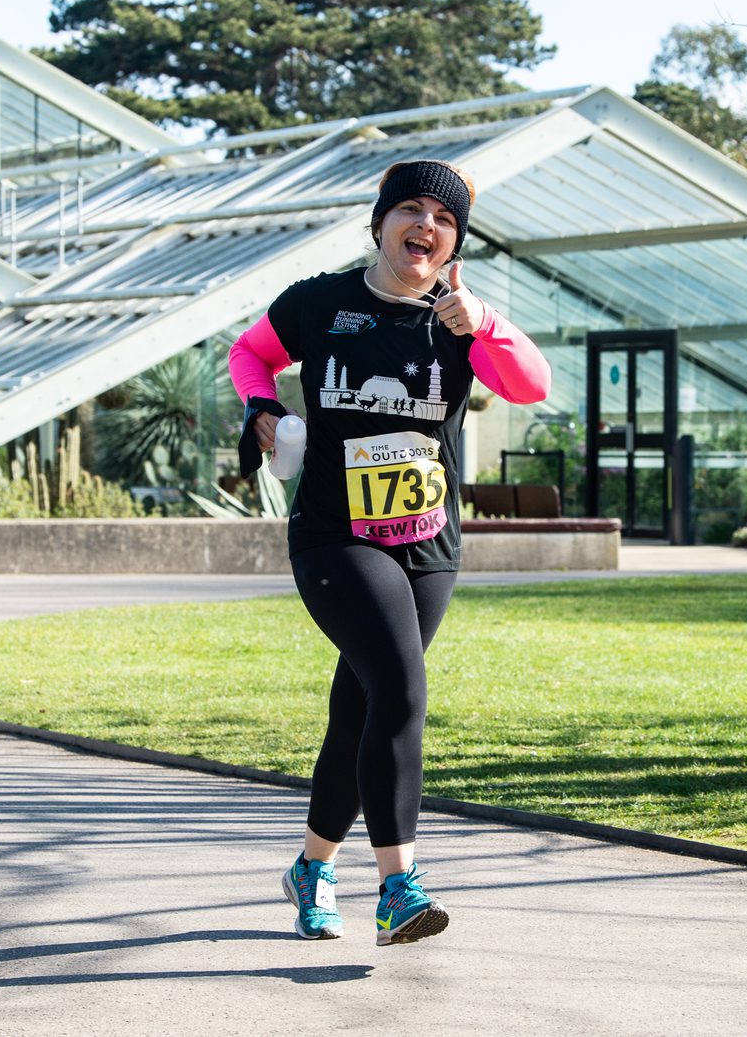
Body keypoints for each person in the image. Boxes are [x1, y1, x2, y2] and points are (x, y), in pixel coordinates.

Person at [229, 159, 552, 946]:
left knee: (364, 708)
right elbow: (250, 351)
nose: (427, 227)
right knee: (403, 687)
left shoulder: (458, 324)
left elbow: (531, 385)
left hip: (427, 543)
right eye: (411, 210)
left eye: (443, 221)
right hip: (336, 536)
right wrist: (263, 405)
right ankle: (398, 886)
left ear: (453, 245)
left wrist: (482, 323)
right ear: (379, 224)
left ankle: (312, 866)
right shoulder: (320, 303)